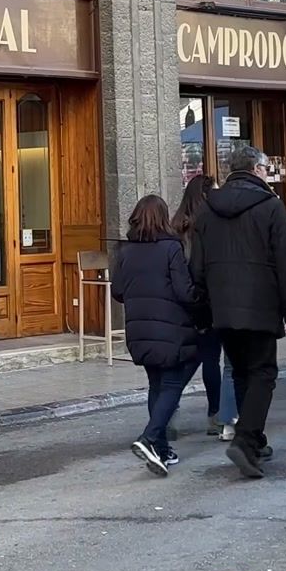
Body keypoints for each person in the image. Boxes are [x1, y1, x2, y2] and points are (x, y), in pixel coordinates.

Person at [188, 145, 286, 479]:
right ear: (256, 170)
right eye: (265, 169)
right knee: (263, 372)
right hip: (261, 304)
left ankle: (255, 438)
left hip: (222, 306)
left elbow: (196, 267)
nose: (267, 175)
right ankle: (246, 439)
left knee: (240, 371)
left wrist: (202, 310)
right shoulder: (270, 206)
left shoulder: (207, 210)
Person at [112, 194, 202, 477]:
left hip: (139, 329)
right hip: (171, 327)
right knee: (172, 383)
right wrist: (201, 300)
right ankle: (149, 438)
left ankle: (161, 450)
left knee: (156, 384)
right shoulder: (171, 248)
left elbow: (118, 291)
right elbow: (184, 291)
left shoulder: (125, 251)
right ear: (164, 218)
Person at [173, 175, 237, 441]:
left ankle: (168, 406)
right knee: (212, 358)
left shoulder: (177, 226)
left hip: (186, 301)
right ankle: (215, 414)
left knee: (198, 357)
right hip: (209, 299)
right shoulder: (208, 224)